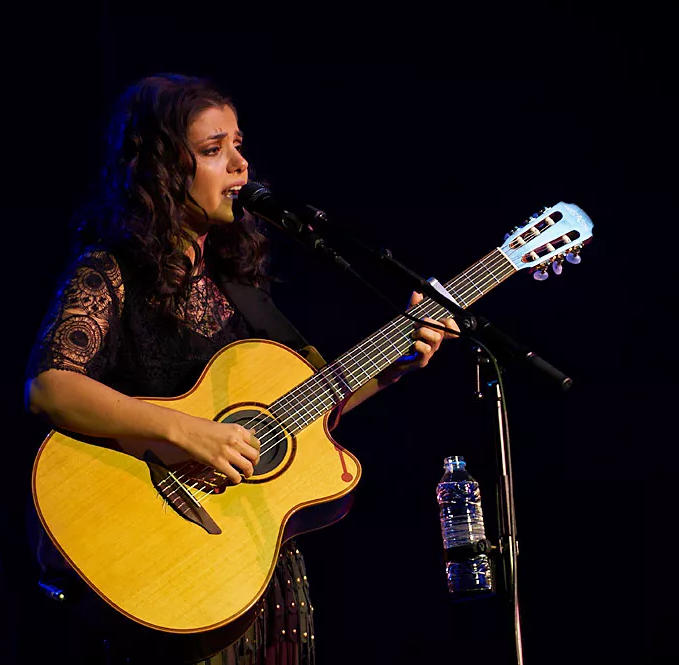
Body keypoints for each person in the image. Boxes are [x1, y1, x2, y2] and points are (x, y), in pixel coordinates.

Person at [23, 73, 459, 664]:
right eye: (212, 150)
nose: (239, 165)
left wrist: (394, 365)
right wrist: (187, 431)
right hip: (167, 567)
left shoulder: (236, 283)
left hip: (257, 570)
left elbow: (307, 405)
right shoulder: (111, 269)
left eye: (238, 144)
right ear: (158, 171)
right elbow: (51, 386)